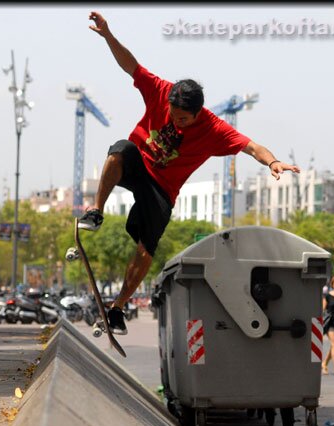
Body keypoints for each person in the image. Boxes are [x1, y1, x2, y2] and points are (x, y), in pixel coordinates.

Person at [77, 11, 297, 335]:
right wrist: (109, 35)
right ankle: (95, 211)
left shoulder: (214, 128)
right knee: (119, 150)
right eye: (174, 116)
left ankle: (117, 310)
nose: (177, 123)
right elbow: (130, 66)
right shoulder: (160, 91)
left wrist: (273, 161)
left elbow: (251, 146)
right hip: (140, 164)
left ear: (198, 114)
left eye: (184, 120)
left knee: (146, 247)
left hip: (162, 189)